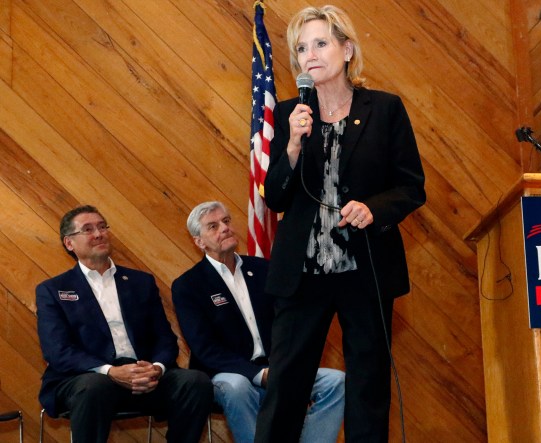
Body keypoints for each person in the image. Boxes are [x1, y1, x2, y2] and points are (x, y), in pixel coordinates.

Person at [256, 5, 426, 442]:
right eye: (300, 48)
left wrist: (374, 209)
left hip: (364, 270)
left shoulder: (385, 109)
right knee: (285, 388)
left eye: (321, 43)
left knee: (368, 388)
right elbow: (274, 196)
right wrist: (292, 145)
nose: (309, 55)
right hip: (301, 275)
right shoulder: (289, 113)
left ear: (347, 49)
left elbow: (410, 187)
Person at [35, 205, 213, 443]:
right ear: (69, 243)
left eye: (101, 227)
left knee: (195, 382)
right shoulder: (53, 290)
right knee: (94, 387)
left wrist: (156, 368)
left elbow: (165, 338)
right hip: (88, 378)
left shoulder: (140, 282)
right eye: (88, 229)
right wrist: (110, 371)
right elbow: (57, 351)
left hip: (143, 374)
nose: (98, 234)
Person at [171, 201, 345, 443]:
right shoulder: (188, 285)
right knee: (237, 387)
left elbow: (288, 323)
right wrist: (258, 374)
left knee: (336, 382)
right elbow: (205, 348)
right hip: (226, 374)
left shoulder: (263, 269)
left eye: (226, 221)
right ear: (199, 241)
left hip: (276, 367)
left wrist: (282, 365)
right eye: (213, 226)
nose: (225, 228)